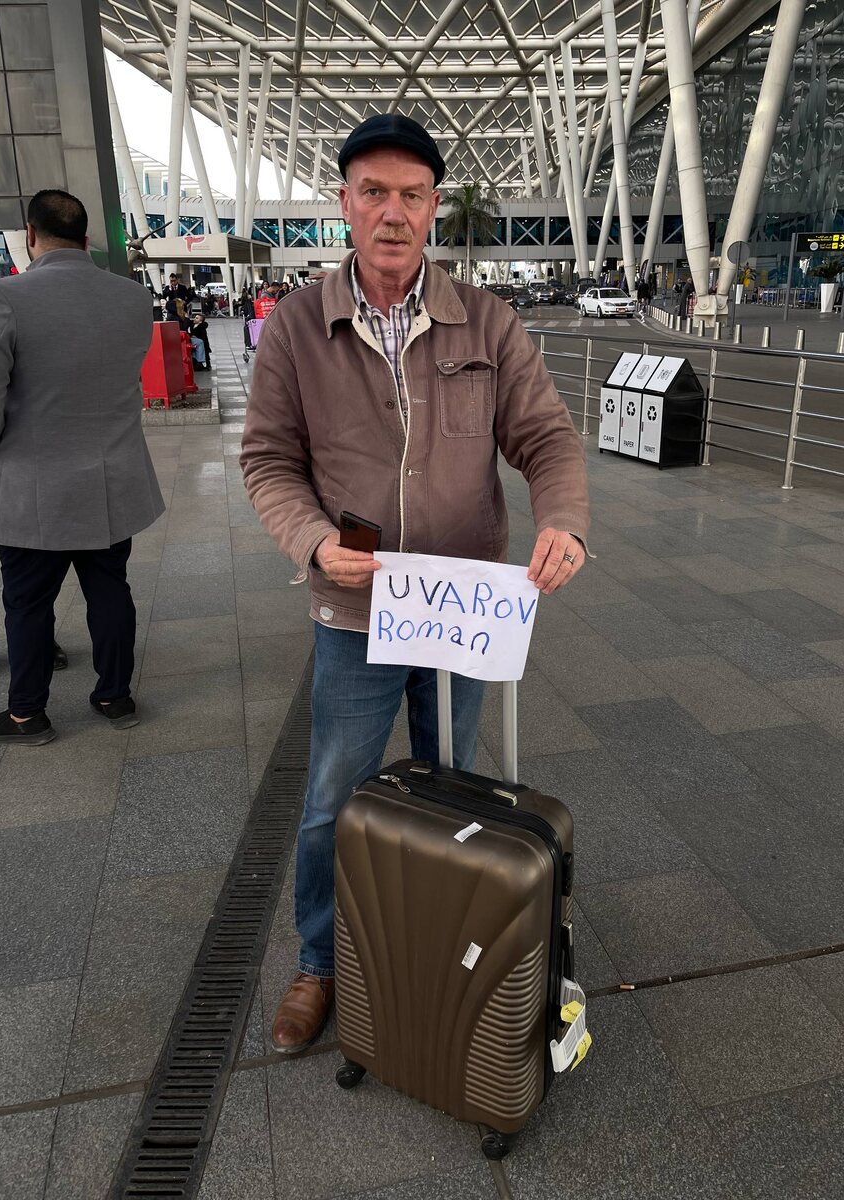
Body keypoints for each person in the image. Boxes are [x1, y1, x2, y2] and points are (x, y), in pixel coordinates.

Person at [240, 113, 590, 1053]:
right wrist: (314, 541)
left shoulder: (486, 320)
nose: (393, 213)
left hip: (460, 609)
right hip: (355, 609)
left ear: (433, 208)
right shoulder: (298, 328)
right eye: (374, 193)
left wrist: (563, 519)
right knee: (334, 797)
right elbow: (268, 460)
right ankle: (320, 962)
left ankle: (447, 943)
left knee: (454, 793)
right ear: (345, 204)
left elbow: (546, 437)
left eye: (412, 195)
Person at [0, 190, 165, 745]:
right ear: (86, 237)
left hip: (32, 489)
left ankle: (27, 714)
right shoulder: (132, 297)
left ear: (30, 235)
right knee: (110, 588)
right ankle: (115, 697)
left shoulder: (6, 298)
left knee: (27, 602)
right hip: (111, 480)